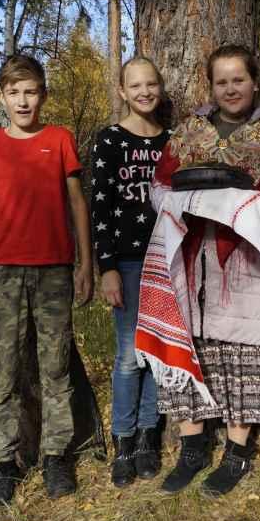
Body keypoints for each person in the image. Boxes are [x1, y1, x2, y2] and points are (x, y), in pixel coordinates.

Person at [139, 44, 260, 497]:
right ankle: (192, 449)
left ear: (254, 83)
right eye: (222, 81)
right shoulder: (190, 130)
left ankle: (236, 452)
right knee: (190, 346)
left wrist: (249, 207)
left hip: (244, 260)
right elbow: (160, 186)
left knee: (241, 352)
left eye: (239, 79)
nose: (231, 88)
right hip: (190, 257)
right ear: (211, 86)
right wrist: (181, 202)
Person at [0, 54, 94, 505]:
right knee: (6, 371)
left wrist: (86, 264)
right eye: (14, 92)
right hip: (3, 273)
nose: (22, 101)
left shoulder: (59, 140)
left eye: (30, 91)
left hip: (54, 270)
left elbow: (78, 205)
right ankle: (4, 463)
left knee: (55, 367)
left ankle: (56, 456)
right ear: (2, 96)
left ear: (43, 95)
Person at [90, 57, 171, 487]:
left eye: (150, 84)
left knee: (157, 353)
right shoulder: (110, 140)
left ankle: (147, 437)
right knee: (128, 356)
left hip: (166, 261)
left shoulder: (171, 142)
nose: (144, 92)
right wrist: (106, 267)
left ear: (160, 87)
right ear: (122, 91)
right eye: (135, 85)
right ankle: (122, 439)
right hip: (125, 260)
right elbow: (99, 205)